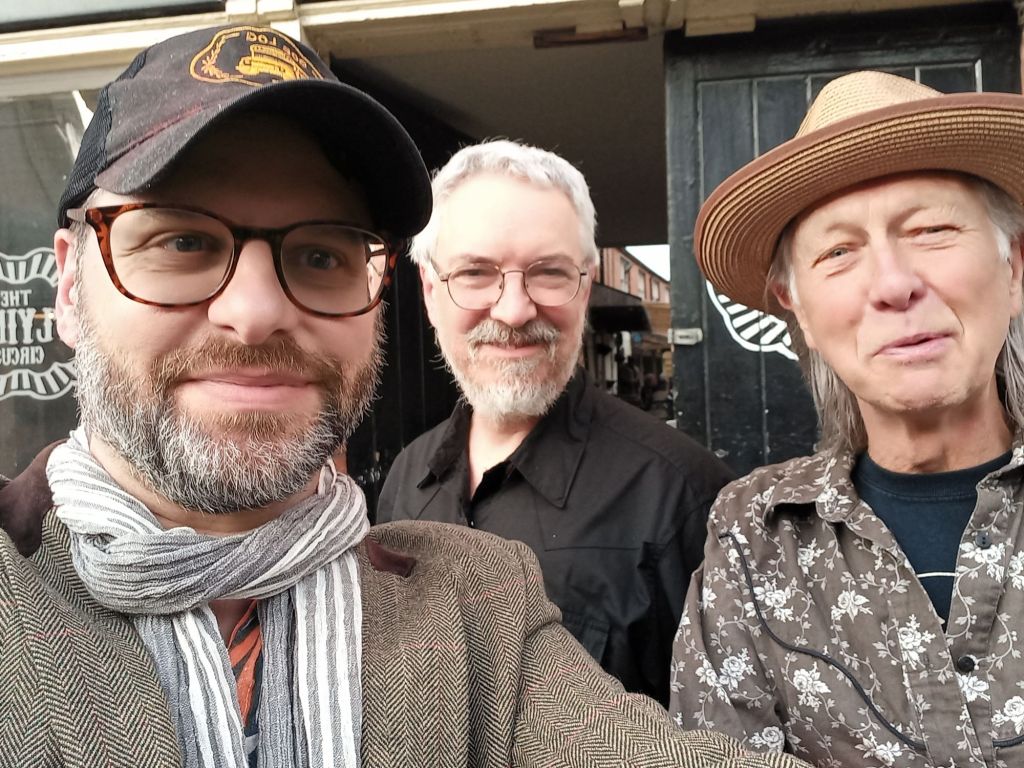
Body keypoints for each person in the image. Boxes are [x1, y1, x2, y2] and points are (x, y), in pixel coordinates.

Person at [0, 23, 811, 768]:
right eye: (182, 241)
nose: (255, 311)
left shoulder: (477, 602)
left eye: (321, 255)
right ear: (68, 284)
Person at [669, 70, 1024, 767]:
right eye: (838, 252)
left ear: (1014, 268)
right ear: (795, 307)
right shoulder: (754, 534)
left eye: (931, 229)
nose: (893, 284)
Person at [376, 139, 734, 707]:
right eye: (475, 273)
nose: (514, 310)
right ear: (429, 292)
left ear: (585, 288)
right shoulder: (406, 477)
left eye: (549, 273)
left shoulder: (686, 498)